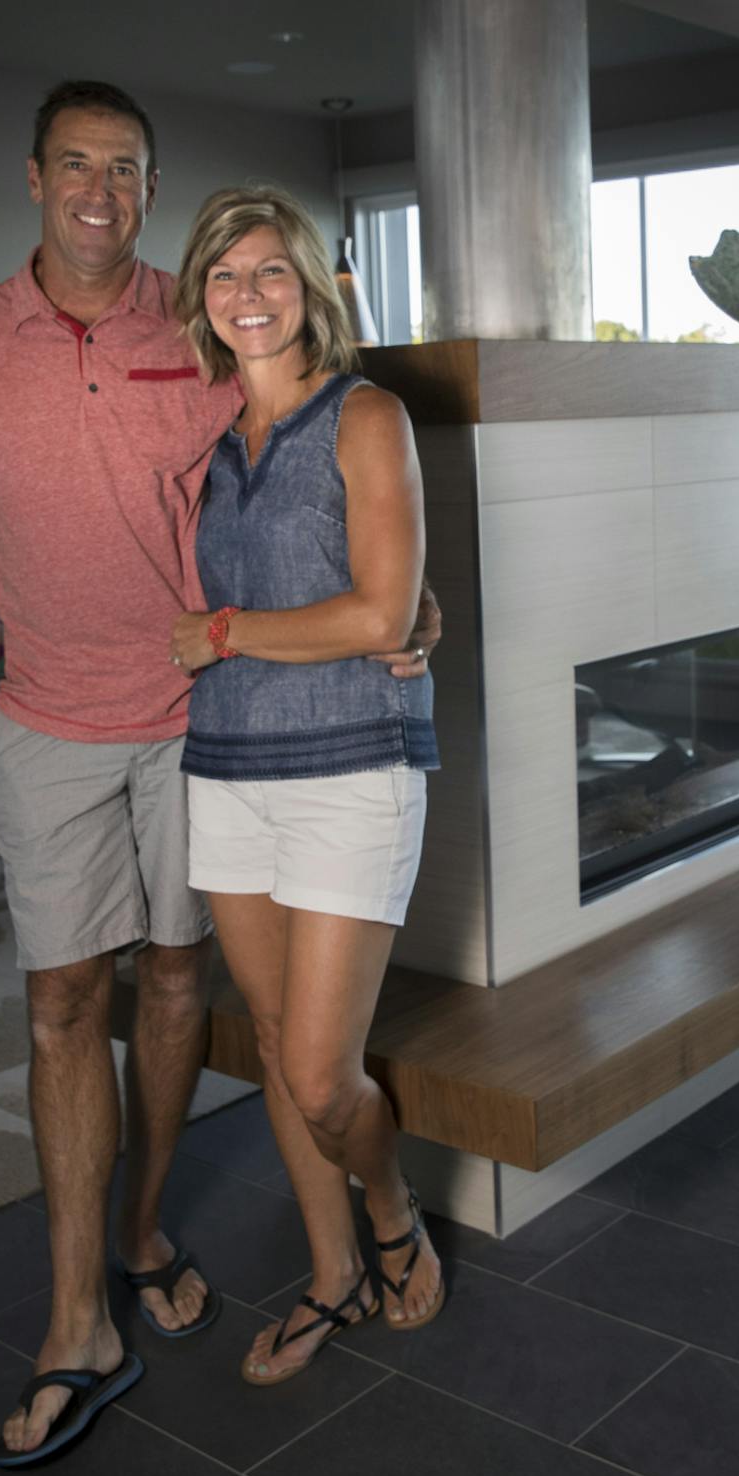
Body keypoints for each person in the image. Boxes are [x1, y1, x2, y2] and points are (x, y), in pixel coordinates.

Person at [0, 83, 436, 1467]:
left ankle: (146, 1230)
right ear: (34, 177)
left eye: (125, 169)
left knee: (193, 996)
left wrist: (410, 612)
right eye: (75, 165)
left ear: (149, 187)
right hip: (56, 726)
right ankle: (77, 1318)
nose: (99, 189)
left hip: (199, 729)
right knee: (69, 1000)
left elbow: (317, 497)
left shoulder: (193, 328)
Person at [166, 185, 445, 1385]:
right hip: (226, 774)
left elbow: (384, 610)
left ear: (313, 289)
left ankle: (388, 1206)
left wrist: (224, 632)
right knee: (277, 1045)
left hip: (351, 771)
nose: (250, 296)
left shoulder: (367, 414)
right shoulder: (207, 442)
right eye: (227, 276)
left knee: (328, 1072)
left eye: (272, 271)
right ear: (202, 300)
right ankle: (332, 1279)